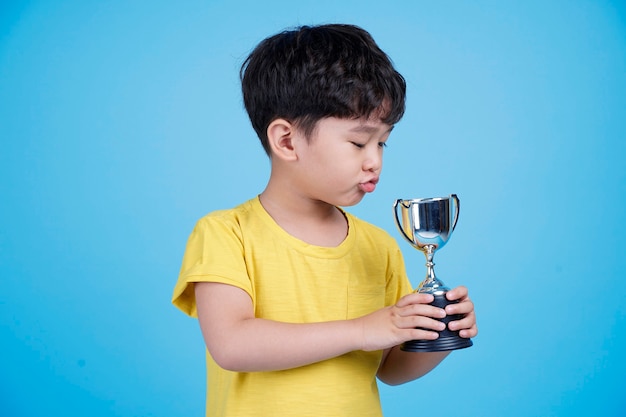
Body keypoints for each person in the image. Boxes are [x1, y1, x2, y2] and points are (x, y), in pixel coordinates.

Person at [172, 23, 478, 417]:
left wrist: (438, 334)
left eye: (382, 142)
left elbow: (391, 369)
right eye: (357, 142)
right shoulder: (225, 234)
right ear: (286, 141)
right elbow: (232, 344)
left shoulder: (378, 246)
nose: (375, 161)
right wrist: (363, 329)